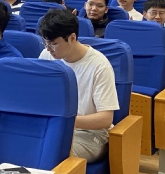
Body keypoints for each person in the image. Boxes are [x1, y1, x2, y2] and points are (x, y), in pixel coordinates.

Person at [37, 9, 119, 163]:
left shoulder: (99, 65)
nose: (48, 48)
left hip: (90, 133)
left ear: (72, 38)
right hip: (53, 127)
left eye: (53, 44)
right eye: (45, 43)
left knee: (54, 152)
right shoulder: (46, 55)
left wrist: (66, 120)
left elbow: (105, 119)